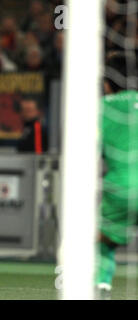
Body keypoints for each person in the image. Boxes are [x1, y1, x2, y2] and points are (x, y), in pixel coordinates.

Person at [96, 52, 138, 299]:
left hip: (122, 187)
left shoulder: (104, 108)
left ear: (108, 82)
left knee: (103, 242)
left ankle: (101, 286)